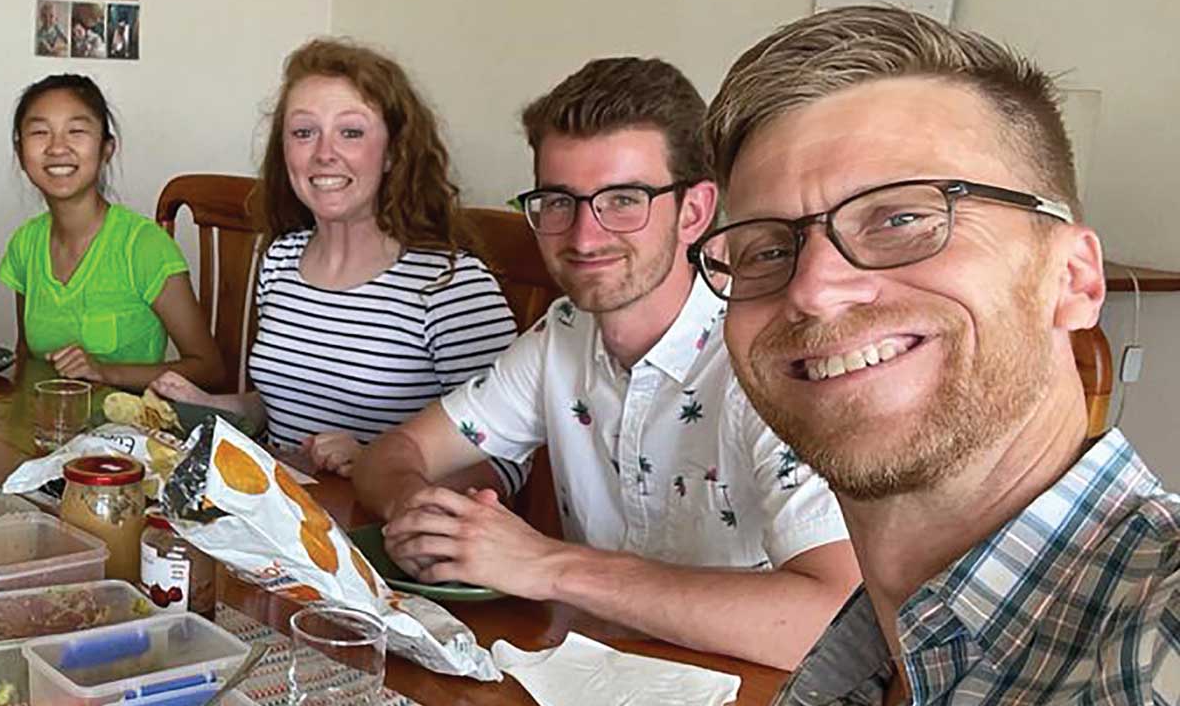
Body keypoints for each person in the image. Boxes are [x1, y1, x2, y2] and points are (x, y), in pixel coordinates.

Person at [699, 4, 1177, 706]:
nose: (814, 288)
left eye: (902, 217)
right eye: (767, 249)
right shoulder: (827, 693)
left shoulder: (1161, 640)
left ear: (1073, 278)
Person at [353, 58, 859, 670]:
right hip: (587, 677)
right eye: (558, 202)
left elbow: (837, 620)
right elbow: (394, 455)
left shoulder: (769, 353)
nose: (583, 237)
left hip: (746, 700)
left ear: (694, 211)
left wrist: (545, 564)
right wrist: (423, 515)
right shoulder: (563, 334)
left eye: (623, 200)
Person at [152, 38, 524, 492]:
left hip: (381, 527)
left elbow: (507, 464)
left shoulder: (451, 286)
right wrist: (206, 404)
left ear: (393, 152)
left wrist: (380, 466)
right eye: (303, 132)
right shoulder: (280, 260)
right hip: (279, 514)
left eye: (351, 132)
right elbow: (283, 404)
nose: (324, 153)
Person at [0, 74, 224, 391]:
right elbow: (27, 357)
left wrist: (105, 372)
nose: (57, 147)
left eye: (76, 131)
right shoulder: (25, 245)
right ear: (20, 152)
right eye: (39, 132)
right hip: (48, 420)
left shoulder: (144, 246)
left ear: (106, 149)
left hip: (130, 421)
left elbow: (210, 370)